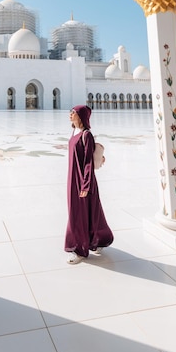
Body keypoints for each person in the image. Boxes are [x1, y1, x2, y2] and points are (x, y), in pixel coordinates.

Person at [65, 105, 114, 264]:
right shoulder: (74, 133)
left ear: (81, 116)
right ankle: (99, 240)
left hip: (84, 181)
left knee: (81, 214)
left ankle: (79, 250)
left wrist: (85, 185)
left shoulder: (87, 135)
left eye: (73, 113)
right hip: (72, 180)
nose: (70, 115)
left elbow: (87, 163)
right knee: (88, 213)